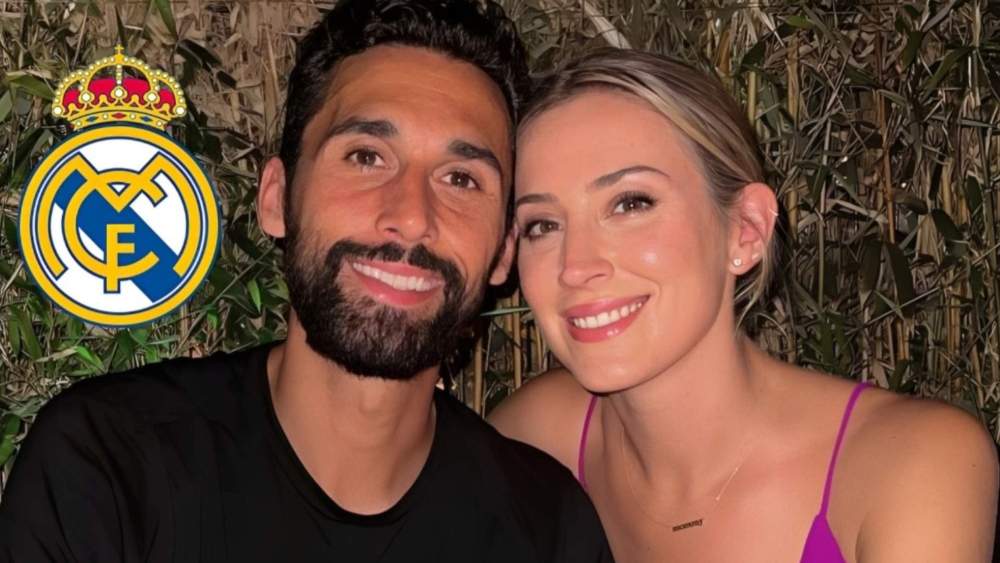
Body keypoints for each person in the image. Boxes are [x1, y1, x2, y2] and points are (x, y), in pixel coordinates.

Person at [0, 1, 615, 561]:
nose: (410, 217)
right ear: (277, 199)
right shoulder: (108, 472)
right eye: (366, 157)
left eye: (461, 179)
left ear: (504, 250)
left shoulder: (548, 531)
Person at [490, 48, 998, 562]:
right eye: (542, 225)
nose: (576, 266)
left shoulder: (910, 464)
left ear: (745, 229)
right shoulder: (533, 439)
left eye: (631, 203)